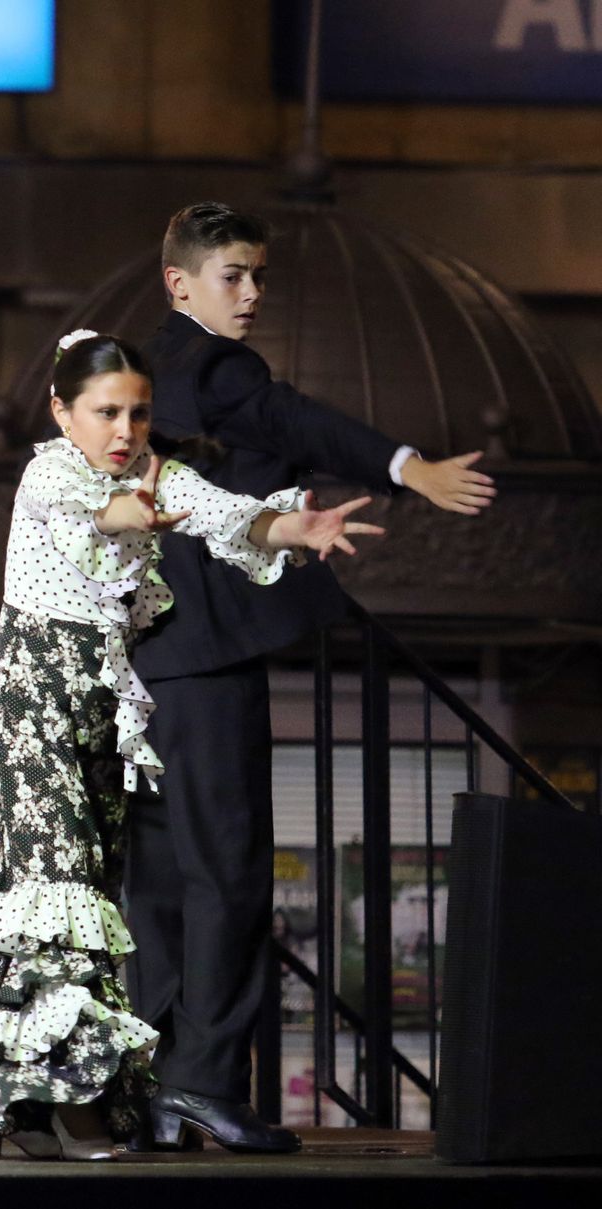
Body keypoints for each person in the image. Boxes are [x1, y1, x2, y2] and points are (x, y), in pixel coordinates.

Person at [0, 332, 381, 1160]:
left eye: (139, 412)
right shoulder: (52, 470)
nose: (124, 429)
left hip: (93, 715)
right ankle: (59, 1106)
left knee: (77, 897)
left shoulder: (153, 467)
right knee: (46, 902)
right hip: (28, 713)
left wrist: (296, 523)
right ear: (62, 411)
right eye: (106, 412)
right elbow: (106, 512)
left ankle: (35, 1105)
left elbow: (234, 517)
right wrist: (137, 508)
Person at [127, 202, 495, 1153]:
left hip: (147, 660)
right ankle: (203, 1083)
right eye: (232, 276)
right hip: (203, 657)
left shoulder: (139, 375)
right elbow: (290, 415)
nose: (250, 294)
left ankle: (162, 1085)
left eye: (257, 276)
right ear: (181, 283)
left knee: (162, 880)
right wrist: (407, 466)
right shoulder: (211, 365)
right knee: (229, 874)